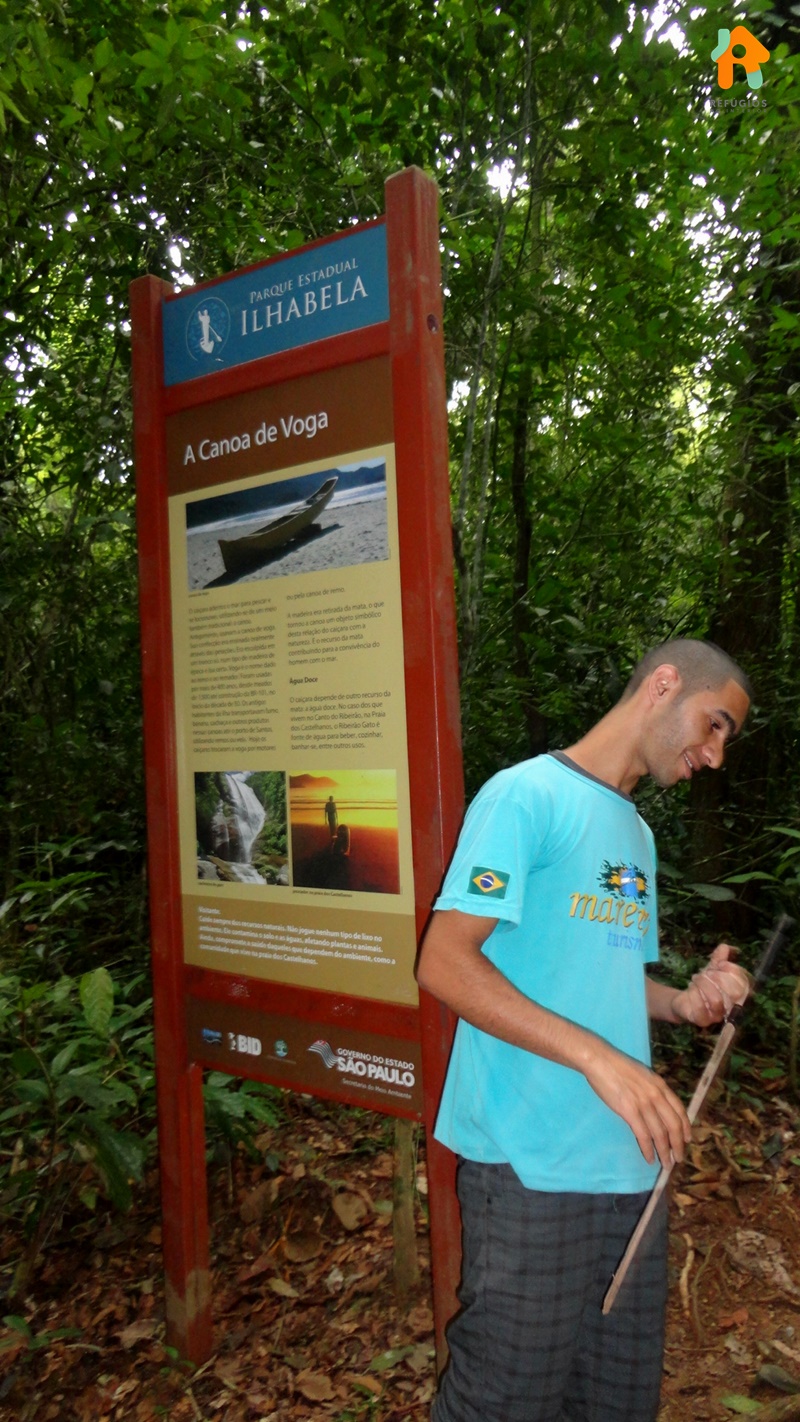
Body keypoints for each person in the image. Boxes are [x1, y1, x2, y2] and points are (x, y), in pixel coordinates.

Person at [417, 639, 753, 1422]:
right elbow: (443, 962)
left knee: (616, 1401)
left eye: (723, 739)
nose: (713, 754)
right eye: (713, 725)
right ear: (663, 685)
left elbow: (611, 981)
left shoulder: (635, 835)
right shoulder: (525, 797)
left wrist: (687, 1002)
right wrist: (598, 1059)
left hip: (632, 1167)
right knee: (505, 1400)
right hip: (533, 1164)